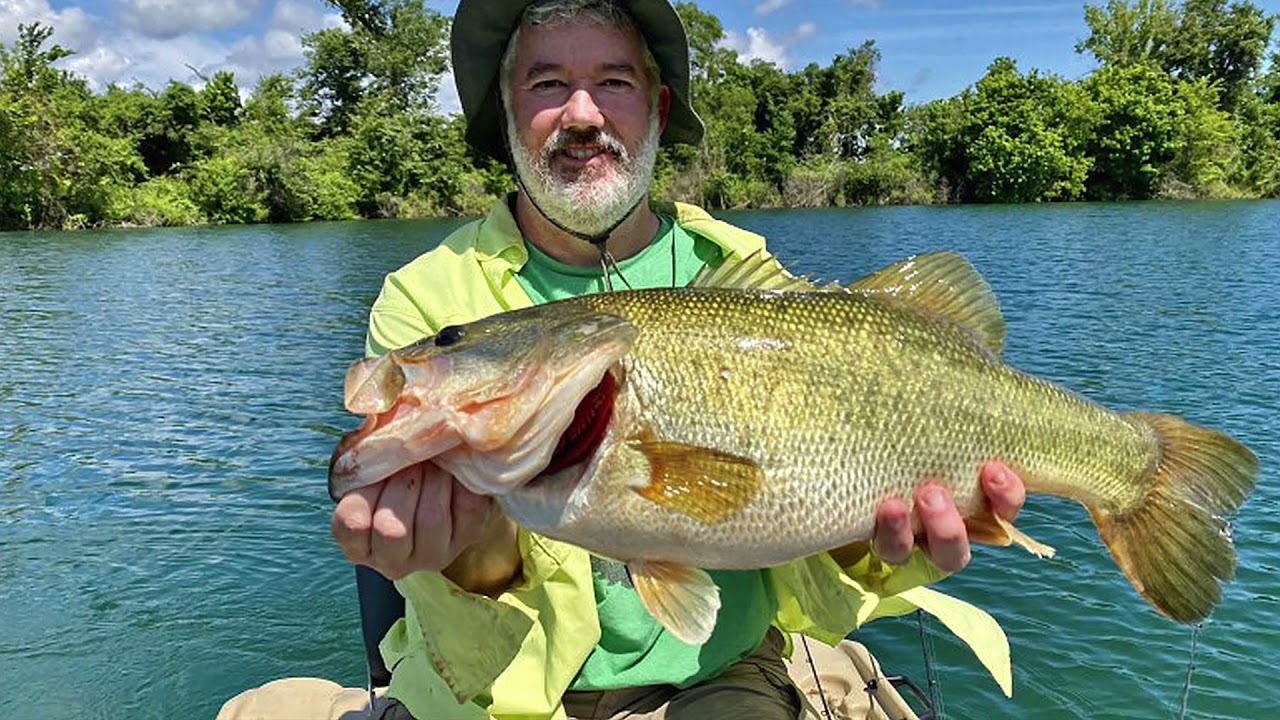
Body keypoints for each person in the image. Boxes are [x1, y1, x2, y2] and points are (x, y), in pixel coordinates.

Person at [220, 1, 1026, 718]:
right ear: (506, 114)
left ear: (657, 106)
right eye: (544, 85)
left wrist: (880, 547)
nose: (580, 113)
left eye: (612, 81)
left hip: (724, 674)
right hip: (502, 699)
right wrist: (466, 550)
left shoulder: (747, 274)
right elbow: (478, 565)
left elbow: (804, 517)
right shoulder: (428, 298)